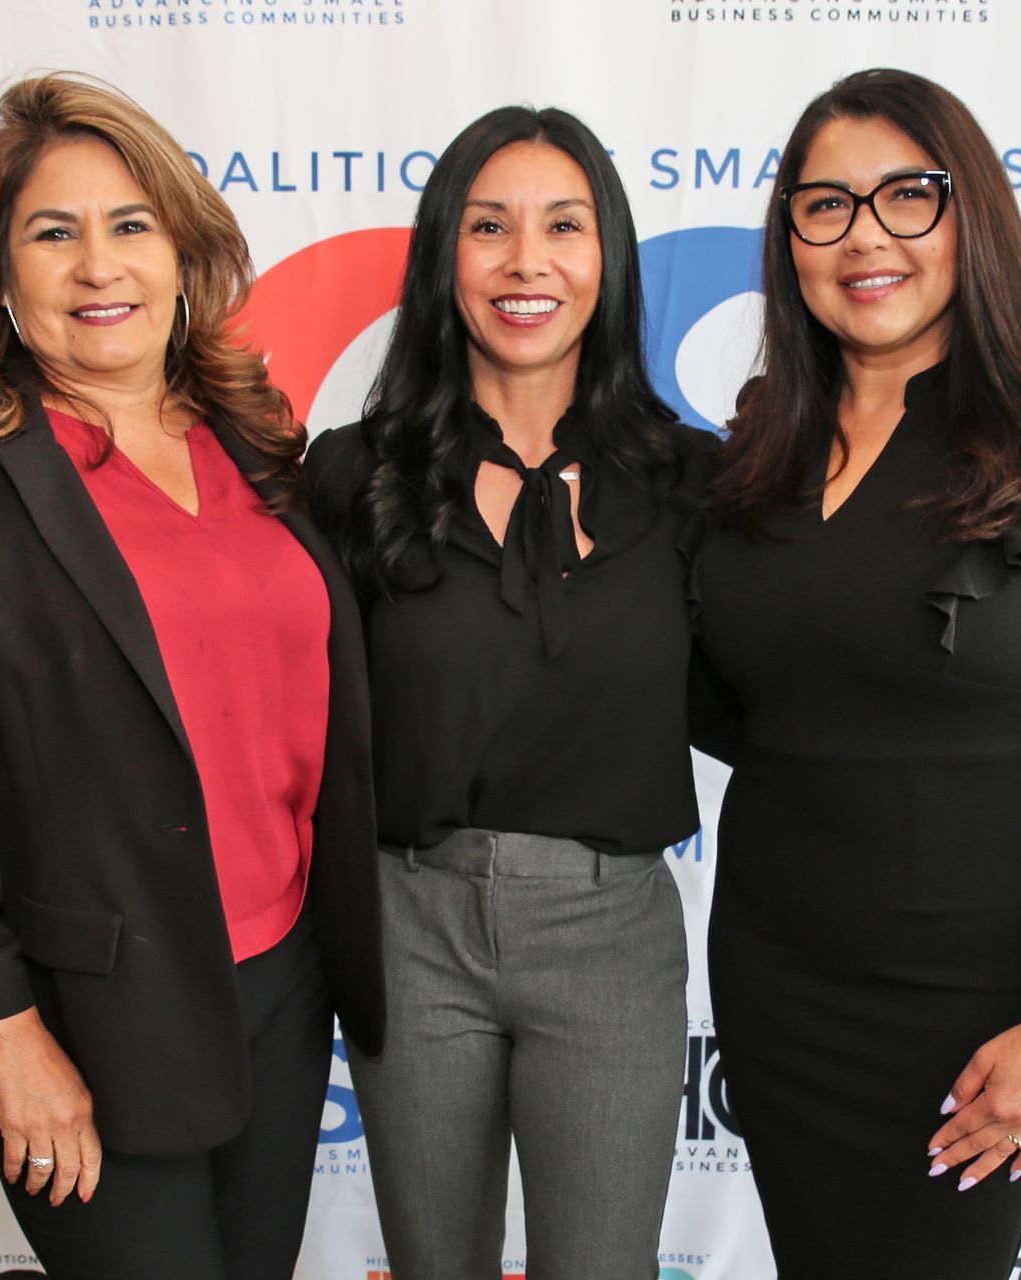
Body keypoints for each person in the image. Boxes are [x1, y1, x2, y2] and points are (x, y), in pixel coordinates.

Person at [0, 74, 382, 1280]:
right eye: (52, 231)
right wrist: (9, 1037)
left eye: (131, 225)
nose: (98, 266)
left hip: (282, 981)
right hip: (87, 1014)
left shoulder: (256, 443)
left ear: (183, 253)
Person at [690, 68, 1021, 1275]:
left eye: (908, 196)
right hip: (777, 974)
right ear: (789, 238)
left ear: (974, 218)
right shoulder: (755, 450)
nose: (866, 236)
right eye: (826, 206)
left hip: (981, 995)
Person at [303, 106, 715, 1280]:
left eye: (563, 225)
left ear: (609, 257)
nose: (526, 259)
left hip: (609, 932)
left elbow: (791, 669)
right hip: (407, 924)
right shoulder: (354, 473)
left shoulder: (693, 482)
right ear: (445, 256)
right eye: (489, 226)